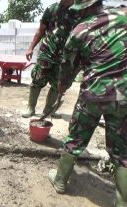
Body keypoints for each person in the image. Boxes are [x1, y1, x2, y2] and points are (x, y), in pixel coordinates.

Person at [48, 0, 127, 206]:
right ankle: (122, 201)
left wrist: (62, 86)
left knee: (75, 138)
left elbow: (67, 65)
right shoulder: (124, 15)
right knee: (122, 153)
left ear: (85, 8)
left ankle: (60, 181)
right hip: (123, 97)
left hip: (93, 94)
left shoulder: (80, 30)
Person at [22, 0, 78, 118]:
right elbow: (41, 30)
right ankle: (30, 108)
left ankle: (48, 110)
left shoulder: (79, 10)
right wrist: (31, 47)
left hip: (65, 55)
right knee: (38, 79)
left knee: (57, 84)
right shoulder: (51, 9)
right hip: (47, 51)